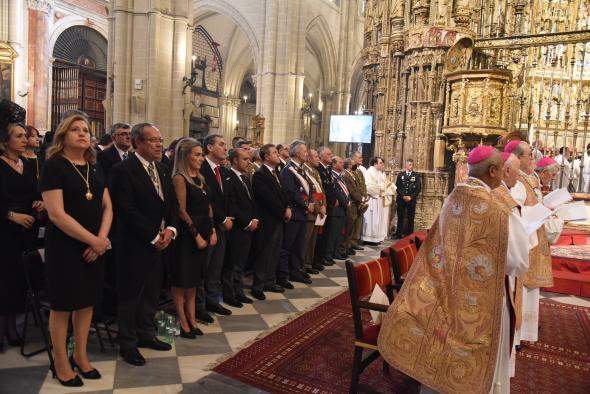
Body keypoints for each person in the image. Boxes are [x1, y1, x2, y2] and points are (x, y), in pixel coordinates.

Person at [378, 146, 529, 394]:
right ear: (492, 171)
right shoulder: (500, 210)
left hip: (444, 290)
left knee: (440, 346)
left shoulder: (452, 198)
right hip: (481, 299)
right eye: (501, 170)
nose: (503, 175)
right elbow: (519, 262)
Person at [40, 114, 113, 386]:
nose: (82, 134)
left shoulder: (93, 166)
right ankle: (60, 361)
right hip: (65, 248)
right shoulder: (54, 166)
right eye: (75, 130)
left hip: (94, 247)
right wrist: (92, 241)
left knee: (86, 304)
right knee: (63, 307)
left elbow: (107, 206)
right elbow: (57, 215)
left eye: (85, 130)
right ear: (63, 135)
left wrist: (101, 239)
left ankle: (81, 356)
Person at [109, 123, 178, 366]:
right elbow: (126, 209)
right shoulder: (123, 170)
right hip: (134, 244)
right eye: (153, 140)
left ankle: (147, 334)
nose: (159, 144)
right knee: (131, 296)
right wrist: (154, 235)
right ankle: (127, 342)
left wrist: (170, 229)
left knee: (151, 293)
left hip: (160, 243)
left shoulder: (162, 168)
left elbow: (170, 205)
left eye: (160, 140)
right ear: (137, 143)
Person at [0, 102, 44, 352]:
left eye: (24, 135)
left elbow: (32, 193)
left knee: (18, 281)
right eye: (18, 136)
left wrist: (37, 202)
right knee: (3, 281)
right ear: (5, 141)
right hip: (4, 230)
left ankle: (11, 328)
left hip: (25, 231)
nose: (24, 139)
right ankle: (2, 329)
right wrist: (10, 215)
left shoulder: (27, 165)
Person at [505, 140, 554, 350]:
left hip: (530, 240)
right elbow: (513, 213)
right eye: (530, 156)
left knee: (525, 292)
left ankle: (520, 334)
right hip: (522, 242)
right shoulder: (517, 183)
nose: (533, 160)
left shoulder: (525, 180)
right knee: (518, 292)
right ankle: (515, 337)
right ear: (518, 158)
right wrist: (539, 214)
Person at [171, 138, 215, 339]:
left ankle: (193, 318)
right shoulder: (180, 178)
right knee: (182, 281)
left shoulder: (201, 177)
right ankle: (183, 322)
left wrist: (212, 230)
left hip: (204, 233)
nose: (201, 158)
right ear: (185, 156)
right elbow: (181, 210)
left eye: (201, 154)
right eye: (197, 154)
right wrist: (196, 234)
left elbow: (208, 206)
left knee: (194, 282)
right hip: (187, 237)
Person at [199, 134, 233, 320]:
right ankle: (200, 305)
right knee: (204, 267)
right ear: (209, 148)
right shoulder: (201, 168)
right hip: (208, 225)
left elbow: (227, 199)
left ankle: (213, 300)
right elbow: (208, 200)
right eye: (221, 144)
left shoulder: (224, 172)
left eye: (226, 144)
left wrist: (227, 218)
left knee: (216, 267)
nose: (225, 148)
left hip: (223, 227)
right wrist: (221, 219)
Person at [251, 144, 291, 299]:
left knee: (274, 252)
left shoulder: (276, 172)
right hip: (267, 220)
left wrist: (287, 206)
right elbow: (267, 199)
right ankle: (258, 285)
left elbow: (283, 193)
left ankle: (269, 281)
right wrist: (283, 211)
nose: (277, 155)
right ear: (266, 157)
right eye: (274, 153)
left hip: (278, 219)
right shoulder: (260, 175)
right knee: (264, 253)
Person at [223, 148, 258, 306]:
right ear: (235, 161)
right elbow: (232, 204)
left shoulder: (246, 178)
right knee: (232, 264)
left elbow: (252, 201)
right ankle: (230, 295)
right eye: (245, 159)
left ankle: (239, 291)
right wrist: (247, 222)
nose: (248, 162)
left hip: (248, 228)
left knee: (241, 263)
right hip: (237, 227)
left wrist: (255, 218)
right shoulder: (229, 177)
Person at [279, 140, 314, 286]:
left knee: (299, 245)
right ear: (297, 152)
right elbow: (291, 191)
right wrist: (306, 204)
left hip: (303, 213)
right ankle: (283, 275)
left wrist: (311, 202)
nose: (307, 154)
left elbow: (309, 187)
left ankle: (295, 271)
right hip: (294, 213)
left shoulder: (301, 169)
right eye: (305, 151)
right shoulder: (288, 170)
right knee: (288, 246)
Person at [302, 149, 326, 274]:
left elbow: (321, 191)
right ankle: (302, 266)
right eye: (316, 156)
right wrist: (318, 208)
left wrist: (324, 206)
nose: (318, 159)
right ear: (308, 158)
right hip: (311, 211)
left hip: (319, 211)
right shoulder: (304, 171)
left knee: (313, 241)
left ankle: (309, 263)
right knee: (305, 240)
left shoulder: (316, 171)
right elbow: (310, 193)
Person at [362, 157, 395, 243]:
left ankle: (375, 237)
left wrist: (387, 187)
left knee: (377, 220)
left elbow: (384, 184)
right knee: (371, 220)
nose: (382, 165)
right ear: (375, 164)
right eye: (381, 163)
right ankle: (368, 238)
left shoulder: (379, 173)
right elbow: (369, 186)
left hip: (379, 199)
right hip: (373, 199)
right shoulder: (369, 172)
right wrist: (381, 189)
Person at [324, 156, 350, 262]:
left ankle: (336, 252)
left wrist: (348, 200)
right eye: (340, 162)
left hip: (342, 209)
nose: (342, 163)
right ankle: (328, 255)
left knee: (339, 233)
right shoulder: (332, 176)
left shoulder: (340, 176)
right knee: (332, 234)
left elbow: (344, 190)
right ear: (334, 164)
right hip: (336, 209)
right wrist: (346, 202)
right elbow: (336, 192)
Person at [315, 146, 337, 266]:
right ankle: (317, 259)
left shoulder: (327, 169)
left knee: (326, 233)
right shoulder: (319, 169)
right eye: (328, 154)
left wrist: (334, 199)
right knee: (321, 234)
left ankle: (321, 257)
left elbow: (331, 187)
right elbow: (323, 189)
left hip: (329, 205)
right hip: (323, 205)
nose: (331, 155)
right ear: (321, 156)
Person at [340, 158, 363, 257]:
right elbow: (351, 190)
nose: (354, 165)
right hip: (351, 203)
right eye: (353, 164)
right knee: (347, 228)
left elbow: (357, 188)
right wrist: (360, 199)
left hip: (355, 204)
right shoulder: (345, 175)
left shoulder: (351, 174)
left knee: (351, 228)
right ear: (349, 165)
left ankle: (348, 246)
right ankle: (343, 249)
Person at [395, 158, 421, 238]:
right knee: (400, 217)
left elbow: (418, 188)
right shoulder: (401, 175)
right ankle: (398, 234)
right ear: (406, 165)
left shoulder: (416, 175)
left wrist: (411, 197)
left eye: (412, 165)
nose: (411, 166)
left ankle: (409, 234)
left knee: (411, 217)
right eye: (410, 165)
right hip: (401, 199)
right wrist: (403, 196)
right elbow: (397, 187)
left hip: (411, 200)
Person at [350, 151, 368, 251]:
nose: (362, 159)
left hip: (360, 200)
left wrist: (364, 195)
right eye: (359, 158)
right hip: (354, 200)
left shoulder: (359, 171)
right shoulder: (350, 170)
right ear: (353, 158)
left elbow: (363, 185)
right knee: (352, 222)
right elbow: (353, 188)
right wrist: (360, 198)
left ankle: (355, 241)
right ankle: (350, 243)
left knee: (358, 221)